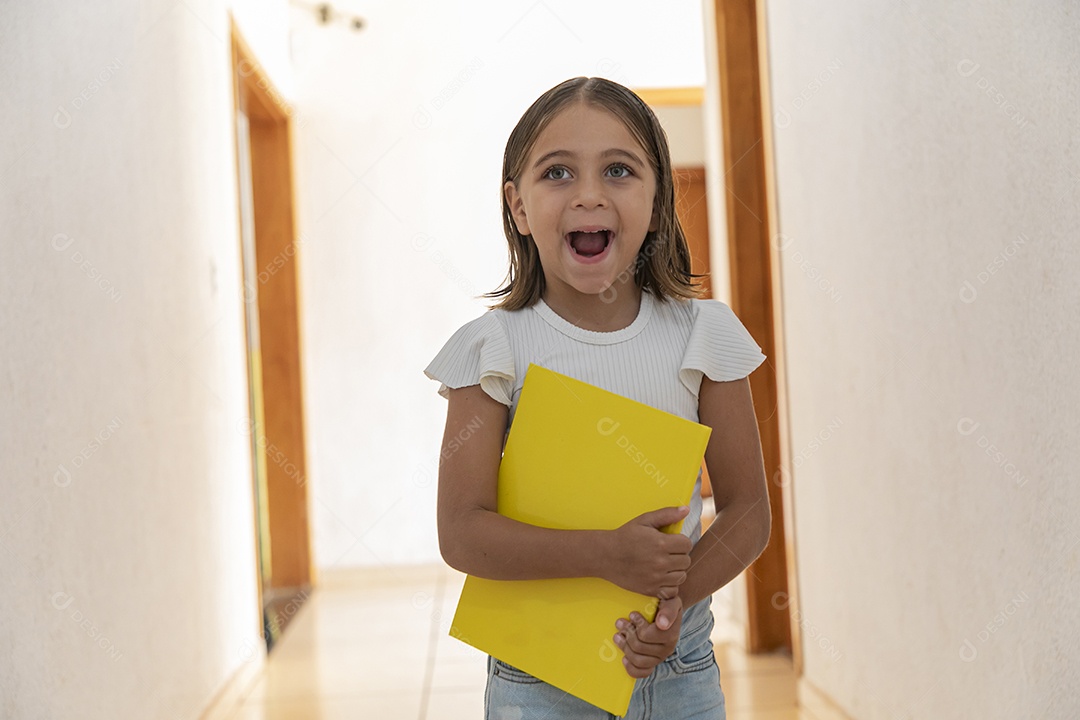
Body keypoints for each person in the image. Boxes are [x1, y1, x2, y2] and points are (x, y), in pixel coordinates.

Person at [424, 76, 772, 720]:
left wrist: (671, 607)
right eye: (557, 173)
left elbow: (748, 509)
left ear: (658, 201)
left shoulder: (705, 334)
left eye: (619, 170)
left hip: (677, 666)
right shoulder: (493, 348)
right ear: (518, 207)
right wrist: (605, 556)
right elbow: (461, 533)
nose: (589, 194)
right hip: (538, 678)